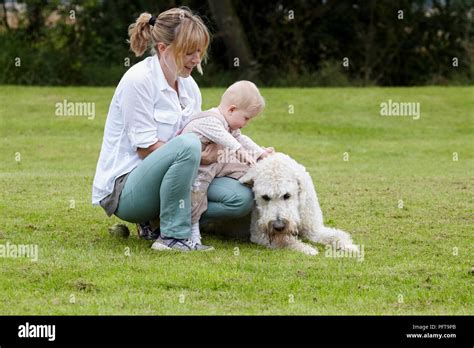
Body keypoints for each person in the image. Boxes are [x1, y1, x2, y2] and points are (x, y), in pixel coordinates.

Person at [91, 8, 254, 251]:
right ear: (163, 49)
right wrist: (198, 152)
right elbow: (147, 150)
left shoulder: (190, 87)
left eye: (200, 51)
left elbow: (205, 137)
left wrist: (255, 155)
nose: (196, 59)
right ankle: (172, 237)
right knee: (188, 144)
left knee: (240, 199)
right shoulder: (138, 81)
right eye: (189, 52)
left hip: (178, 179)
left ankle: (159, 223)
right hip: (126, 189)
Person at [151, 80, 274, 250]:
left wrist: (259, 152)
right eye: (246, 118)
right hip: (194, 170)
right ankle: (192, 235)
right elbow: (228, 140)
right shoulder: (210, 120)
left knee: (239, 169)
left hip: (210, 166)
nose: (246, 123)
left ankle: (258, 179)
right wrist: (241, 152)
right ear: (231, 109)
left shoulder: (227, 123)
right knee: (196, 199)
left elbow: (240, 138)